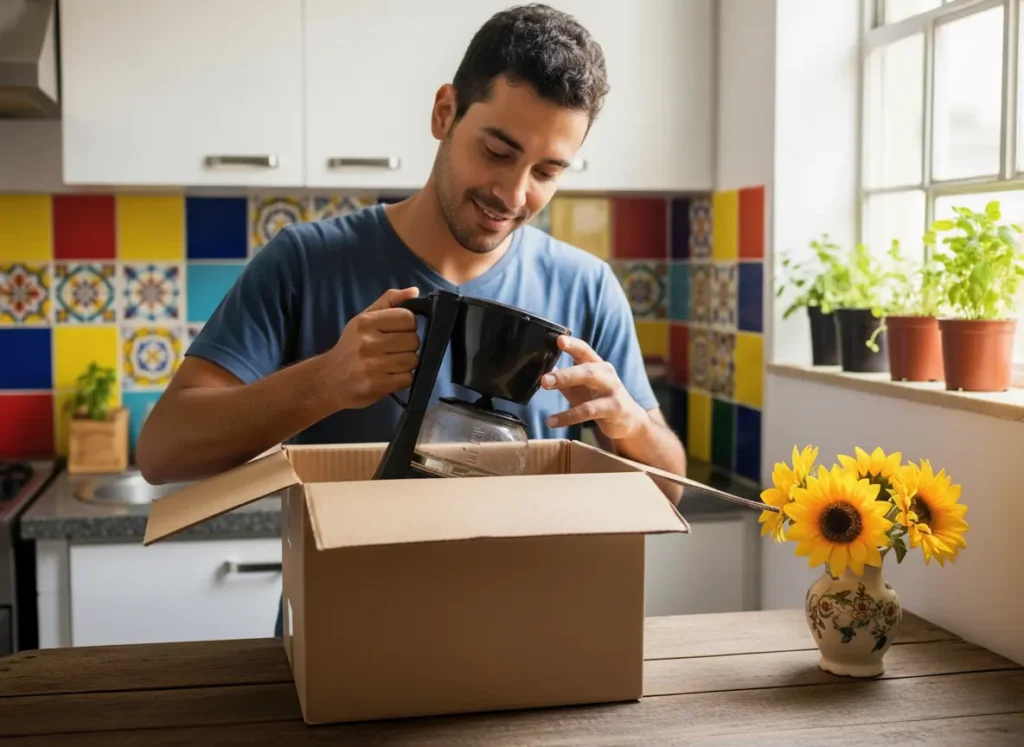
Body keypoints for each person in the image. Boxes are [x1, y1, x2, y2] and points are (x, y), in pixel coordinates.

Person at [136, 3, 687, 637]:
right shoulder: (304, 262)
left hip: (522, 643)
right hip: (342, 639)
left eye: (546, 172)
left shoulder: (586, 286)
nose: (513, 194)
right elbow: (163, 451)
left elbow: (668, 489)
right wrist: (325, 383)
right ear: (444, 112)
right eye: (497, 151)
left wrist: (627, 426)